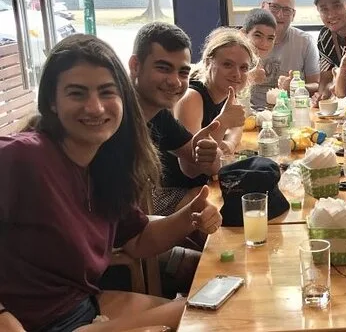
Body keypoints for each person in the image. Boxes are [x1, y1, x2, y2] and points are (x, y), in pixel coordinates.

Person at [0, 35, 222, 332]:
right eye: (77, 94)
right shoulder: (22, 156)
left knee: (212, 308)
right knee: (202, 315)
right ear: (52, 102)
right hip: (36, 324)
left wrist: (191, 216)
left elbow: (138, 241)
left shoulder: (106, 163)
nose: (95, 107)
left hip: (85, 307)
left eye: (107, 92)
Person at [128, 22, 225, 216]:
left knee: (206, 205)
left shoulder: (159, 114)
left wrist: (207, 153)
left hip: (137, 222)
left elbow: (208, 164)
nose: (175, 81)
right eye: (163, 68)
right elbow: (131, 229)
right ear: (135, 66)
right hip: (116, 228)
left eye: (183, 72)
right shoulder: (113, 120)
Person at [165, 28, 252, 211]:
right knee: (243, 206)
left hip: (203, 185)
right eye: (227, 65)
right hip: (173, 191)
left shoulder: (226, 92)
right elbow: (200, 166)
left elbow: (238, 124)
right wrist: (224, 122)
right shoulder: (192, 97)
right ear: (207, 62)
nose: (237, 74)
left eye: (243, 67)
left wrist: (229, 144)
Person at [258, 0, 320, 104]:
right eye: (274, 7)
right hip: (250, 110)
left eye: (286, 10)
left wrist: (297, 86)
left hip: (291, 111)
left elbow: (317, 85)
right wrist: (249, 77)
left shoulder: (305, 42)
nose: (280, 15)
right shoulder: (245, 39)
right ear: (263, 6)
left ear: (293, 15)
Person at [240, 8, 276, 94]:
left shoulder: (254, 60)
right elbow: (217, 88)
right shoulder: (232, 55)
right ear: (243, 34)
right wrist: (249, 78)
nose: (264, 43)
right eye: (258, 35)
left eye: (270, 38)